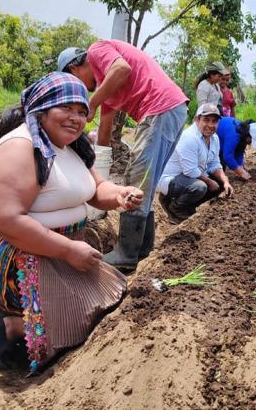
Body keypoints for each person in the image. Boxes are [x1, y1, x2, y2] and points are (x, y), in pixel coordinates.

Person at [0, 72, 144, 374]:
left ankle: (36, 321)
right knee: (79, 314)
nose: (75, 118)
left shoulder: (71, 147)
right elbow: (8, 221)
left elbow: (96, 189)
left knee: (113, 294)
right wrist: (67, 251)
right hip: (17, 256)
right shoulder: (20, 148)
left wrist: (120, 194)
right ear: (42, 108)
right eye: (66, 108)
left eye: (81, 111)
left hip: (59, 250)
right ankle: (8, 329)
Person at [58, 40, 188, 272]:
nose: (84, 90)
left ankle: (127, 253)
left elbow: (123, 69)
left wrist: (91, 104)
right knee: (145, 181)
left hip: (160, 107)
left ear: (74, 68)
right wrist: (92, 162)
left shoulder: (97, 50)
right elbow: (105, 132)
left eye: (76, 82)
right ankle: (142, 249)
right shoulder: (107, 89)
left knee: (137, 177)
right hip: (170, 110)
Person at [156, 104, 234, 223]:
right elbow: (190, 170)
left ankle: (187, 206)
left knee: (219, 184)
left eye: (214, 121)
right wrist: (209, 181)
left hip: (186, 178)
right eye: (206, 120)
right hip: (170, 178)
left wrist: (226, 181)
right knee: (200, 187)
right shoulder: (189, 138)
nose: (211, 125)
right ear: (197, 120)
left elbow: (215, 163)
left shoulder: (214, 139)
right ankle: (174, 209)